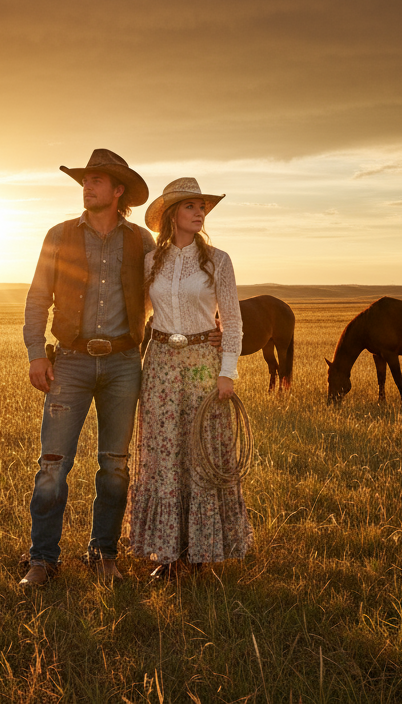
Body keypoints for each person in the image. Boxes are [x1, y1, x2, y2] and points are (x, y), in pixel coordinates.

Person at [19, 149, 155, 587]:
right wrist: (36, 353)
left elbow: (170, 293)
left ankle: (103, 555)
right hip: (71, 361)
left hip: (123, 364)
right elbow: (38, 296)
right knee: (53, 463)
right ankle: (42, 560)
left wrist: (207, 327)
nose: (88, 185)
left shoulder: (141, 241)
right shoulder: (59, 235)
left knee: (115, 465)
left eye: (98, 180)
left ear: (118, 191)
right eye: (85, 179)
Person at [128, 177, 252, 579]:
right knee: (164, 457)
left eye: (202, 207)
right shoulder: (151, 262)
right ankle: (167, 555)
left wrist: (226, 372)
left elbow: (232, 322)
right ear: (171, 216)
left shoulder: (219, 260)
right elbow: (141, 315)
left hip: (202, 362)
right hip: (160, 363)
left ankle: (200, 554)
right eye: (190, 206)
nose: (199, 212)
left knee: (202, 456)